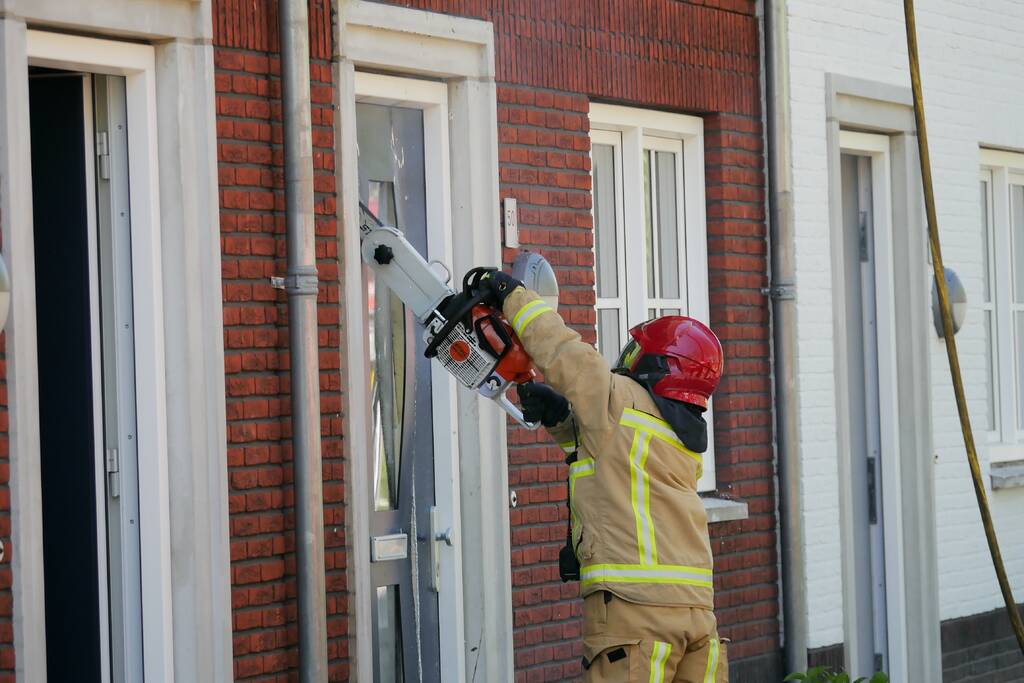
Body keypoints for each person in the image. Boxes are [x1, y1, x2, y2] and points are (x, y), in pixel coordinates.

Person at [480, 270, 727, 683]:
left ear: (656, 361)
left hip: (636, 619)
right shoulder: (681, 432)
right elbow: (610, 462)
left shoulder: (619, 401)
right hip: (698, 618)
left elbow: (563, 352)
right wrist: (562, 419)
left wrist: (512, 295)